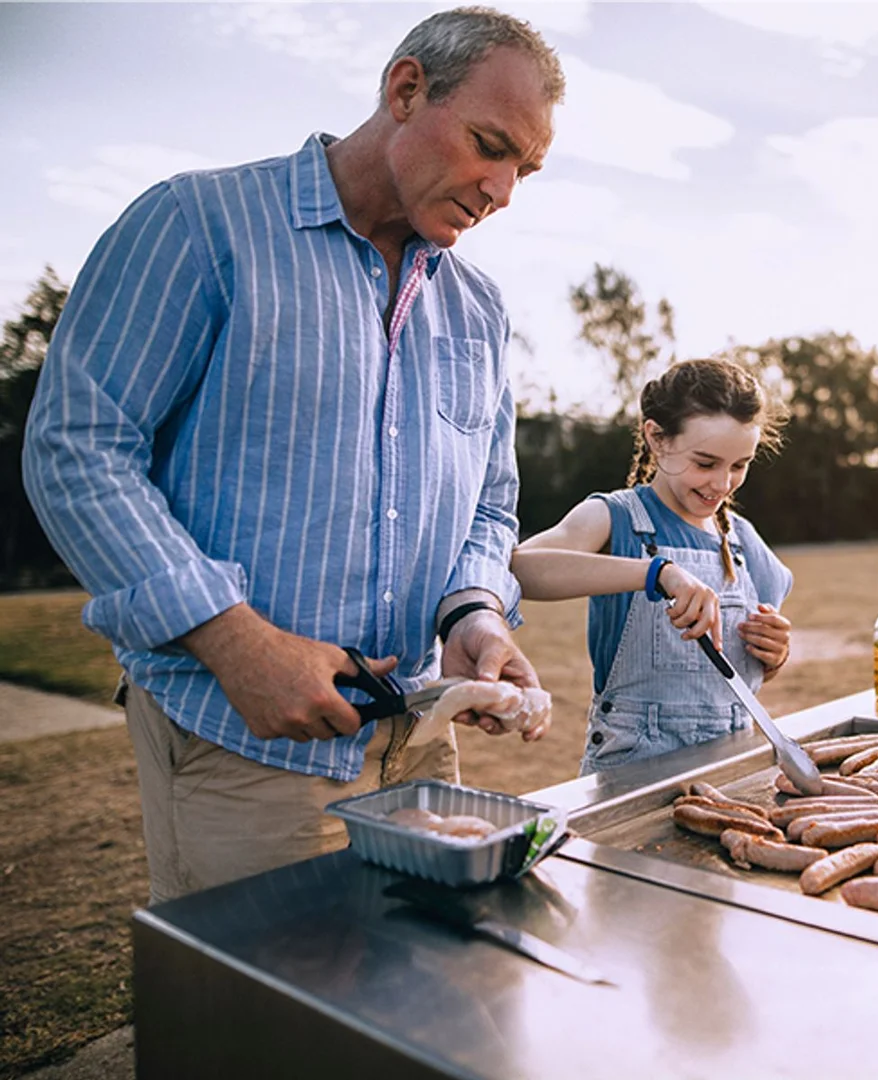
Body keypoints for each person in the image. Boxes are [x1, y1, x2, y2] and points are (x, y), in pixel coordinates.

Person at [21, 7, 563, 903]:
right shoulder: (199, 224)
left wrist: (475, 613)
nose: (502, 189)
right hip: (243, 748)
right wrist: (236, 641)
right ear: (405, 89)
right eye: (489, 145)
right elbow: (79, 448)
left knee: (420, 1010)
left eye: (524, 169)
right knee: (262, 1036)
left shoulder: (479, 308)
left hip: (424, 739)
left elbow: (489, 506)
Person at [511, 358, 794, 773]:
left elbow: (743, 677)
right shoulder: (615, 517)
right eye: (705, 463)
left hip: (730, 766)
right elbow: (519, 569)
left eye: (739, 466)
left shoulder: (742, 541)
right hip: (630, 769)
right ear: (657, 439)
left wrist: (774, 655)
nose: (722, 484)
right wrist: (655, 573)